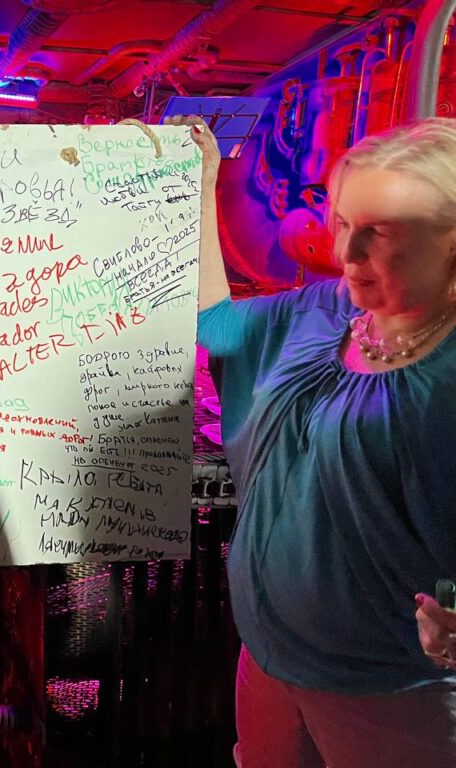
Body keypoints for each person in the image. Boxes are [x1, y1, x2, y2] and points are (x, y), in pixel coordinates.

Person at [174, 113, 456, 767]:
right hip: (271, 655)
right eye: (343, 222)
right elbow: (218, 325)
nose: (348, 254)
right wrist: (201, 186)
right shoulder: (326, 308)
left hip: (387, 691)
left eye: (384, 233)